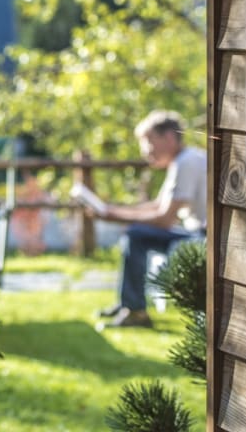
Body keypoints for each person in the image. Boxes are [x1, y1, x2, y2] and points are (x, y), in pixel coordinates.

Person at [72, 110, 206, 329]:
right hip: (194, 233)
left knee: (136, 236)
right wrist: (113, 210)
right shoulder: (182, 160)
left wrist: (111, 215)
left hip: (200, 238)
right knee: (135, 232)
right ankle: (128, 304)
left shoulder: (187, 162)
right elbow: (157, 205)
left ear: (170, 137)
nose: (146, 150)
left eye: (149, 142)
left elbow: (164, 220)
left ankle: (134, 310)